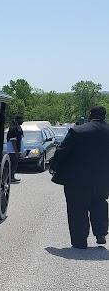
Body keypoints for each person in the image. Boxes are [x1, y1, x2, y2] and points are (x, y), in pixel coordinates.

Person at [49, 105, 109, 249]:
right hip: (103, 178)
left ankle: (79, 241)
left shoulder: (77, 131)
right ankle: (100, 233)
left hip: (77, 180)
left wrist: (53, 166)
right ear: (104, 115)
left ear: (90, 115)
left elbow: (62, 151)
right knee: (99, 204)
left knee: (77, 209)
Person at [6, 115, 24, 183]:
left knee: (15, 164)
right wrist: (16, 151)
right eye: (21, 119)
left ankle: (12, 177)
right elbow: (13, 141)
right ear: (17, 120)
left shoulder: (17, 127)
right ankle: (10, 177)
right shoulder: (13, 128)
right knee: (13, 164)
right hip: (12, 150)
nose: (23, 121)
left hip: (15, 150)